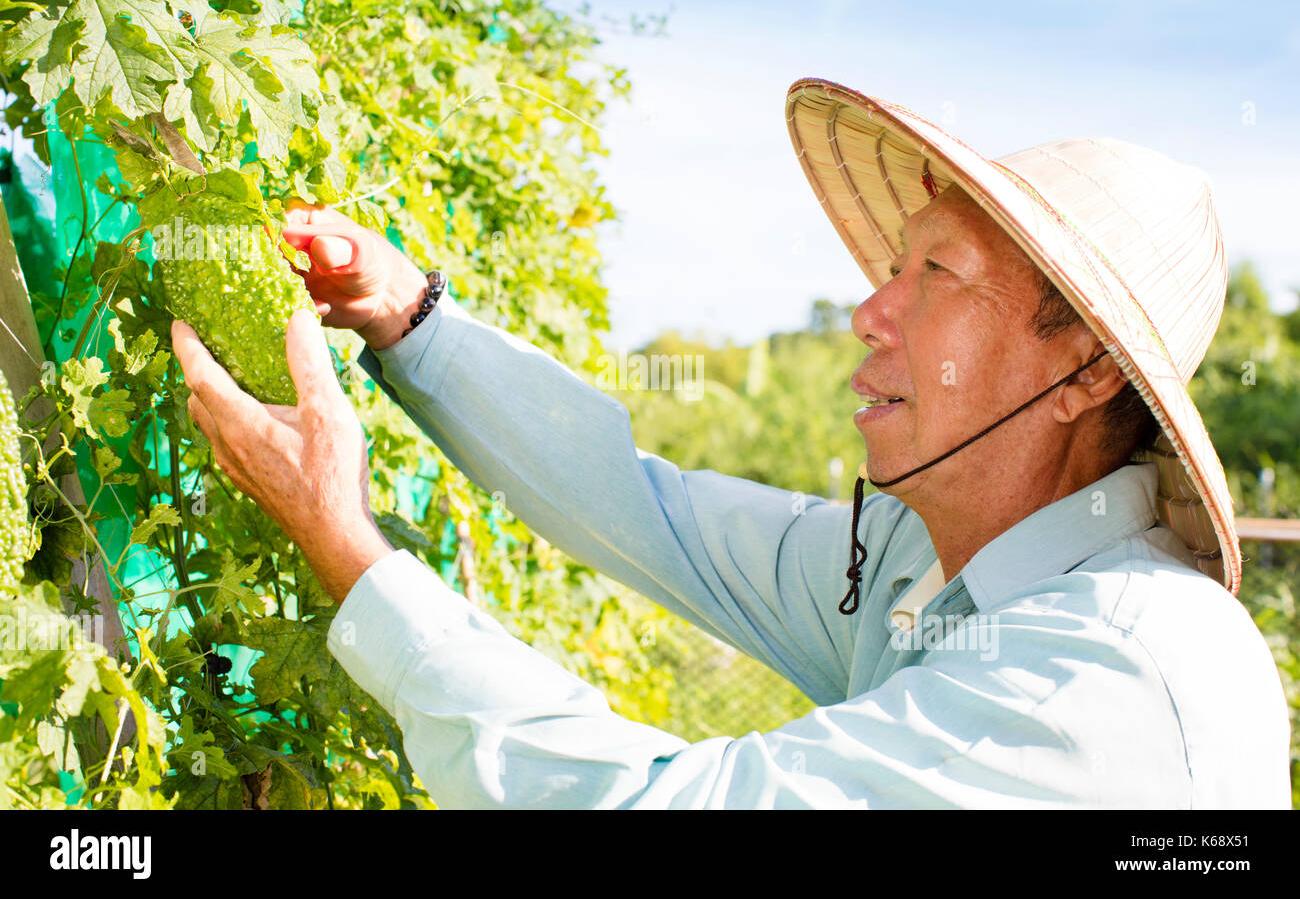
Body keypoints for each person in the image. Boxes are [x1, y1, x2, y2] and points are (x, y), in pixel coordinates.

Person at [171, 78, 1292, 808]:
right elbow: (642, 508)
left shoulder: (1108, 671)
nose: (868, 309)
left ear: (1084, 369)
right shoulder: (922, 559)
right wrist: (408, 318)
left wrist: (346, 544)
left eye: (934, 274)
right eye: (890, 264)